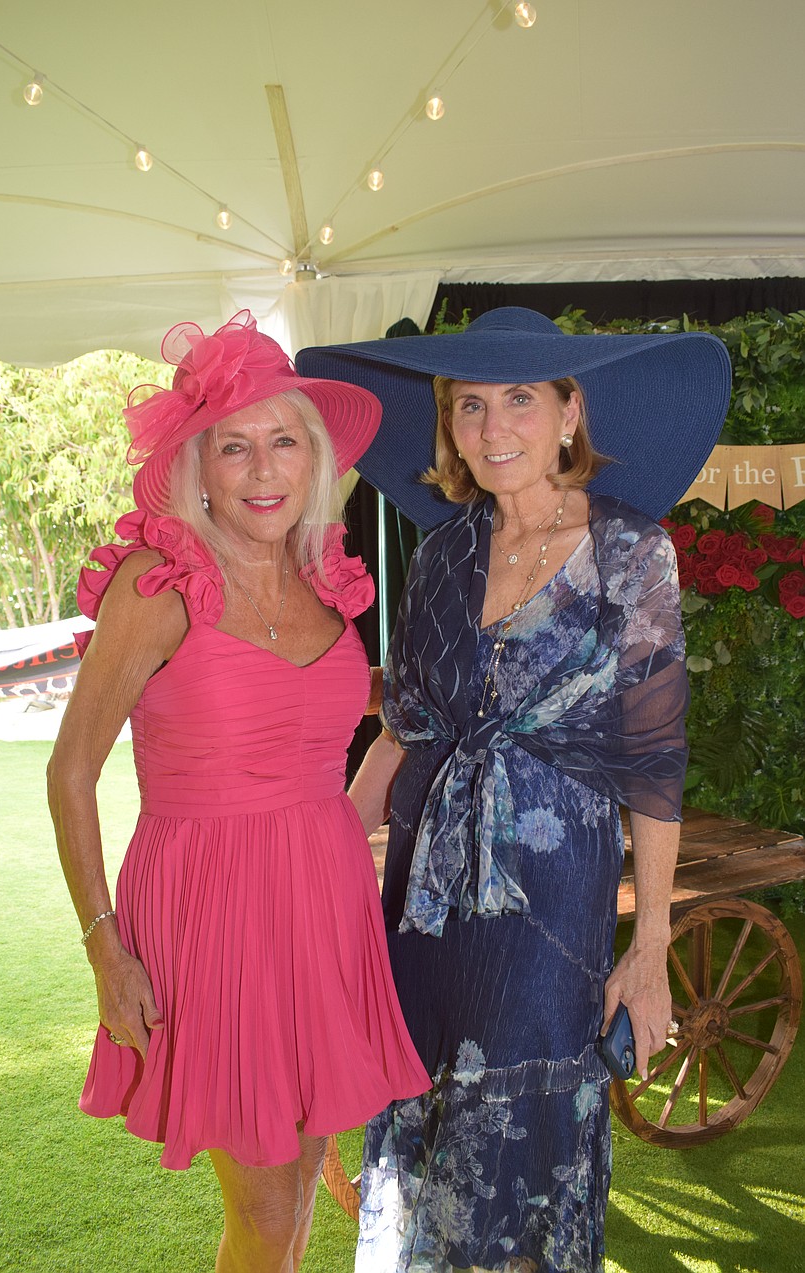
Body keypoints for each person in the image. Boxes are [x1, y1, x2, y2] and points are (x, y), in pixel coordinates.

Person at [295, 308, 731, 1272]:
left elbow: (655, 770)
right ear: (448, 425)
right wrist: (312, 870)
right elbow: (402, 738)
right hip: (421, 901)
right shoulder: (442, 555)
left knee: (523, 1157)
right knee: (419, 1139)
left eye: (521, 399)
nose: (495, 428)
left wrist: (650, 945)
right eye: (470, 405)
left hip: (548, 914)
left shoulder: (632, 555)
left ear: (570, 413)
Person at [47, 311, 429, 1273]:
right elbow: (71, 771)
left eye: (283, 442)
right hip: (213, 913)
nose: (263, 471)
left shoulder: (323, 581)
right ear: (199, 467)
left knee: (301, 1190)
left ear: (313, 457)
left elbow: (328, 742)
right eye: (235, 447)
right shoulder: (159, 583)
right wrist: (105, 949)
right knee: (262, 1207)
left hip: (324, 905)